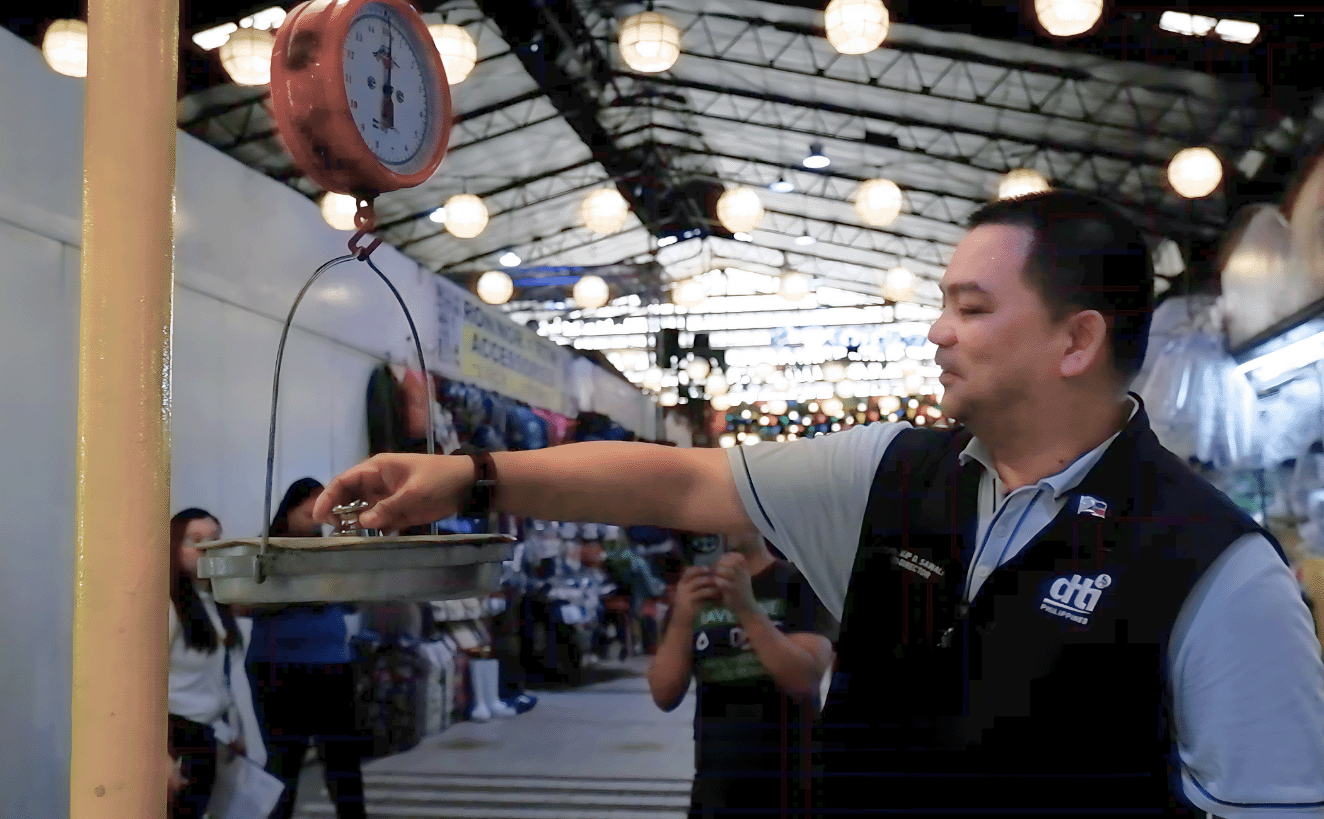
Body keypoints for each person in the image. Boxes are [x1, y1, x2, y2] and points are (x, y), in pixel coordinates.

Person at [312, 190, 1324, 817]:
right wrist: (473, 477)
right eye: (942, 303)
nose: (937, 332)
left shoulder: (1214, 567)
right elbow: (683, 480)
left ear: (1075, 342)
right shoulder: (893, 473)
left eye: (971, 308)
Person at [648, 533, 837, 818]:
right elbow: (664, 694)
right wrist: (682, 619)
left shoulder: (801, 582)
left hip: (795, 783)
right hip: (716, 787)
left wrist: (746, 608)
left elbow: (803, 681)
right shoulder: (695, 592)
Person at [245, 478, 368, 819]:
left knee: (342, 758)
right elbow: (242, 605)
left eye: (321, 512)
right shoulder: (265, 549)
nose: (315, 519)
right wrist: (303, 593)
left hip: (331, 664)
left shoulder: (330, 550)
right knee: (284, 760)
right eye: (308, 511)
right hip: (278, 666)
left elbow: (353, 604)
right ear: (288, 510)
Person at [166, 508, 254, 819]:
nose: (207, 548)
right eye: (195, 540)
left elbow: (221, 677)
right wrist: (160, 758)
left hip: (211, 731)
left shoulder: (215, 601)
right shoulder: (169, 607)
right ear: (174, 546)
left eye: (215, 540)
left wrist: (234, 730)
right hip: (177, 733)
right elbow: (139, 687)